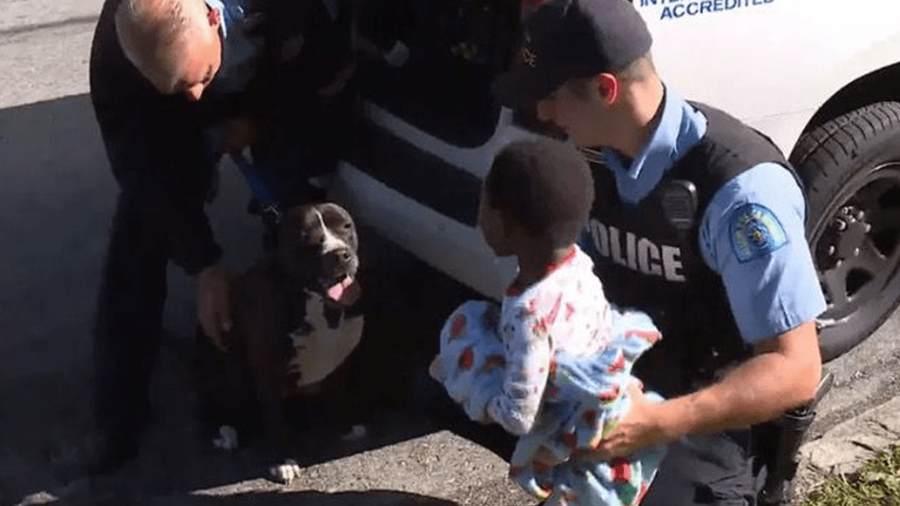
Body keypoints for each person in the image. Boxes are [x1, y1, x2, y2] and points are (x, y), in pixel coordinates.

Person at [491, 0, 825, 504]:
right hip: (618, 383)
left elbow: (795, 369)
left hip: (711, 416)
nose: (541, 112)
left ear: (606, 90)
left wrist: (658, 422)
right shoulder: (589, 153)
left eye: (552, 97)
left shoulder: (741, 193)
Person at [88, 0, 357, 473]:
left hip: (274, 69)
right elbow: (144, 169)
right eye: (179, 85)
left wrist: (264, 121)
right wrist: (204, 262)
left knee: (297, 211)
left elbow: (323, 57)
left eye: (200, 76)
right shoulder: (118, 56)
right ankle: (118, 418)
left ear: (214, 17)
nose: (193, 94)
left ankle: (312, 356)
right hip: (172, 116)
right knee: (142, 232)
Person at [429, 139, 667, 505]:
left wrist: (483, 396)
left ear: (505, 225)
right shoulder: (579, 264)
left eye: (484, 205)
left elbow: (520, 417)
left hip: (576, 436)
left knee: (466, 328)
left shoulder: (531, 314)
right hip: (609, 408)